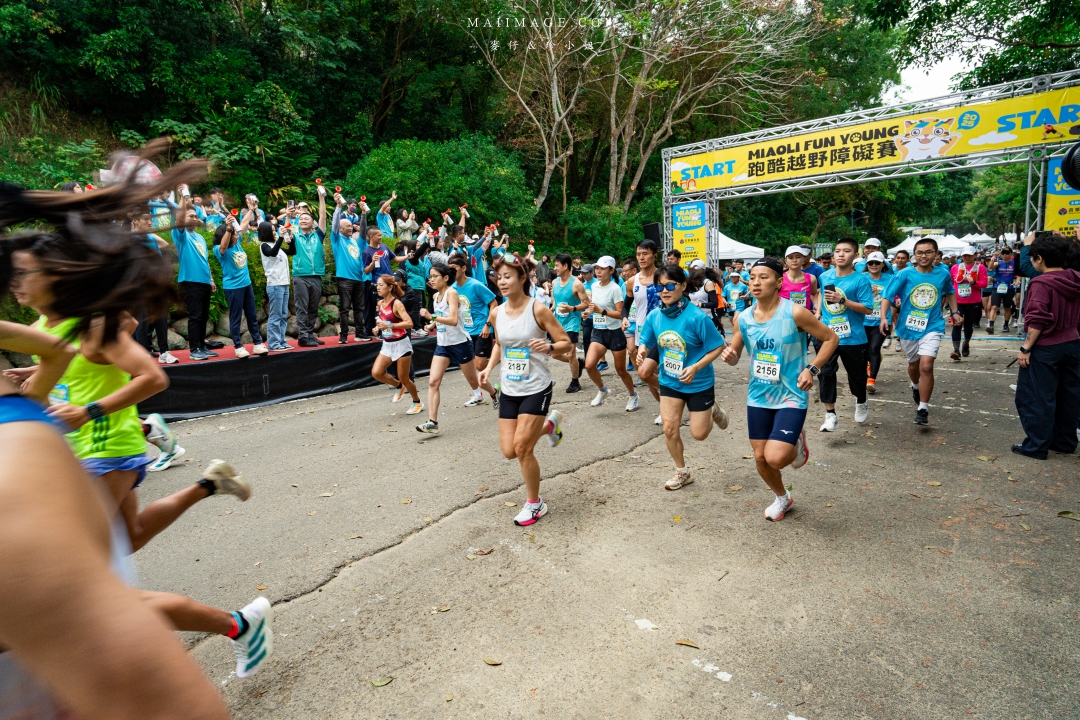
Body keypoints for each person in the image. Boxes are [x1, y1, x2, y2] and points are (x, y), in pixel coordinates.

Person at [0, 170, 273, 684]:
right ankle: (209, 485)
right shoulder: (45, 328)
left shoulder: (89, 325)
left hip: (104, 448)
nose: (16, 283)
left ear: (54, 277)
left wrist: (91, 411)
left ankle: (235, 626)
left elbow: (153, 377)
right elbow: (76, 365)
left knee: (95, 595)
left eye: (25, 272)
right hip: (88, 450)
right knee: (132, 538)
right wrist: (33, 375)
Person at [721, 258, 838, 521]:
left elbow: (831, 338)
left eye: (763, 277)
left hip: (791, 394)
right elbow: (737, 353)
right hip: (759, 395)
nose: (756, 282)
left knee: (775, 457)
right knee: (760, 457)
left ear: (778, 282)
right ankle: (782, 497)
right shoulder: (744, 318)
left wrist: (812, 369)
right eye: (752, 277)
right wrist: (730, 355)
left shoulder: (794, 312)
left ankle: (796, 441)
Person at [478, 254, 572, 526]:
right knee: (509, 450)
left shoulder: (538, 309)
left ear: (522, 278)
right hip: (509, 387)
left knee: (522, 448)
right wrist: (488, 369)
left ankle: (535, 503)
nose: (502, 282)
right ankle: (550, 426)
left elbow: (565, 341)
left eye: (508, 276)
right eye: (499, 277)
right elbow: (499, 344)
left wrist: (551, 347)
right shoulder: (496, 312)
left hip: (536, 387)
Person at [636, 264, 729, 490]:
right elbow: (646, 341)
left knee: (699, 434)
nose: (664, 291)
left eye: (670, 285)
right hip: (670, 381)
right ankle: (682, 471)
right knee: (669, 428)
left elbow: (717, 347)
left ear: (683, 285)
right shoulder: (655, 315)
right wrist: (641, 350)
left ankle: (712, 409)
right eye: (660, 287)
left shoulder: (697, 317)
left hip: (698, 382)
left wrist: (696, 367)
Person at [1011, 233, 1080, 459]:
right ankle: (1065, 441)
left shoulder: (1041, 282)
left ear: (1039, 258)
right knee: (1068, 395)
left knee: (1035, 397)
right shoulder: (1075, 278)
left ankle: (1036, 446)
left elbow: (1038, 318)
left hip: (1046, 346)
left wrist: (1026, 348)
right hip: (1072, 342)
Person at [883, 237, 961, 425]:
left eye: (928, 252)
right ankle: (916, 386)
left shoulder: (943, 274)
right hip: (908, 328)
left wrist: (955, 311)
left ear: (935, 254)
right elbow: (887, 295)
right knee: (914, 366)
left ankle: (923, 408)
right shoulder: (904, 274)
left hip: (932, 326)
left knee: (926, 366)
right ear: (914, 255)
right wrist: (882, 319)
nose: (924, 256)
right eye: (919, 253)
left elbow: (950, 291)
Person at [415, 263, 489, 434]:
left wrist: (431, 316)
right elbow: (441, 316)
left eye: (435, 276)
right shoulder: (435, 297)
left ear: (446, 278)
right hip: (443, 344)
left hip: (459, 343)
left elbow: (454, 319)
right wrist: (431, 325)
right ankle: (433, 422)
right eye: (430, 276)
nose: (431, 280)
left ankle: (493, 393)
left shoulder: (452, 293)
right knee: (433, 381)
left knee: (474, 380)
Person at [816, 238, 874, 431]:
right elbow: (821, 298)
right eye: (838, 251)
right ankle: (830, 414)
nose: (841, 254)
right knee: (826, 373)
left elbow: (867, 309)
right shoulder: (825, 276)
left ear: (856, 255)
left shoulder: (861, 279)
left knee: (857, 377)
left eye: (846, 251)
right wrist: (818, 314)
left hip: (853, 337)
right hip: (828, 335)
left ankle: (861, 400)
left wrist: (843, 300)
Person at [584, 255, 639, 410]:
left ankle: (633, 395)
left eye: (602, 268)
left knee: (621, 370)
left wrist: (601, 311)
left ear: (611, 270)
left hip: (615, 332)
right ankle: (602, 390)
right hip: (599, 331)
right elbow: (593, 306)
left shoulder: (615, 289)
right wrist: (588, 312)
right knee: (589, 365)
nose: (598, 271)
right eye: (597, 268)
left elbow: (621, 313)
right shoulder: (594, 286)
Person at [447, 254, 501, 406]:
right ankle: (480, 394)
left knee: (479, 366)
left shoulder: (476, 285)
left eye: (454, 269)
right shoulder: (451, 289)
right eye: (449, 269)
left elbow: (494, 303)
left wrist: (488, 324)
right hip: (464, 333)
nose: (451, 272)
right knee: (469, 367)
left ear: (463, 268)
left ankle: (503, 357)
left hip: (481, 329)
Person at [213, 212, 268, 358]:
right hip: (233, 288)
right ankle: (238, 346)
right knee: (236, 317)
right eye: (235, 234)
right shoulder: (219, 249)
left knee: (252, 315)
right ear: (229, 235)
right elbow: (223, 247)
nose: (238, 235)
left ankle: (257, 344)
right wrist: (229, 228)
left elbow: (243, 224)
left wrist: (251, 209)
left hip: (246, 285)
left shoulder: (237, 244)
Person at [170, 192, 216, 360]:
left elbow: (205, 260)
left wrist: (210, 279)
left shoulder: (200, 237)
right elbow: (179, 219)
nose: (195, 218)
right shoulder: (181, 236)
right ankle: (194, 349)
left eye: (196, 215)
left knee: (203, 316)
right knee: (196, 316)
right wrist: (183, 199)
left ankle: (202, 345)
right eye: (191, 215)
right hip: (190, 281)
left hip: (204, 281)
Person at [129, 206, 177, 364]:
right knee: (142, 322)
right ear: (135, 221)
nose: (150, 223)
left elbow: (164, 244)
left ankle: (164, 352)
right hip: (141, 287)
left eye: (151, 220)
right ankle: (143, 354)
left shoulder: (150, 238)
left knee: (161, 319)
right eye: (146, 220)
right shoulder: (130, 239)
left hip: (157, 285)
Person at [371, 274, 423, 415]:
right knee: (376, 372)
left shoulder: (397, 304)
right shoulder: (380, 304)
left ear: (390, 287)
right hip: (387, 344)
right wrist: (378, 328)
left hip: (401, 344)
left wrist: (390, 325)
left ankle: (417, 402)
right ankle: (398, 386)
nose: (378, 287)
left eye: (381, 285)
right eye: (377, 284)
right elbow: (383, 322)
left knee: (404, 377)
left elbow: (409, 323)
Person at [625, 240, 664, 425]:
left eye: (645, 253)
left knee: (662, 371)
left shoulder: (663, 277)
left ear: (654, 255)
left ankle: (669, 405)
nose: (641, 257)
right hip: (643, 334)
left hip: (664, 333)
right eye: (639, 254)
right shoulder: (632, 281)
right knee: (647, 374)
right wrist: (624, 318)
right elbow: (626, 306)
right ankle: (665, 405)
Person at [331, 191, 371, 343]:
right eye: (347, 226)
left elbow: (362, 232)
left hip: (359, 278)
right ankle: (343, 336)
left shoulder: (355, 241)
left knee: (359, 308)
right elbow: (335, 224)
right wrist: (338, 207)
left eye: (351, 226)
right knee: (345, 309)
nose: (350, 228)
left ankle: (360, 333)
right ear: (340, 229)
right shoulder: (337, 240)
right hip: (345, 279)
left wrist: (363, 215)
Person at [292, 188, 328, 347]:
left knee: (313, 307)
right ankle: (303, 336)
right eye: (301, 218)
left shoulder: (318, 235)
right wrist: (289, 215)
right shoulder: (294, 236)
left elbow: (322, 216)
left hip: (316, 276)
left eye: (307, 218)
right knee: (302, 308)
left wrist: (321, 197)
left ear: (313, 223)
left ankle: (310, 334)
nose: (303, 219)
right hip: (300, 276)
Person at [551, 253, 590, 393]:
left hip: (572, 322)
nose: (554, 268)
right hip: (557, 323)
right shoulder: (555, 283)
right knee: (555, 354)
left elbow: (587, 303)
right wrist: (552, 309)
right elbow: (555, 300)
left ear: (565, 266)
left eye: (557, 265)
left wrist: (572, 308)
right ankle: (578, 364)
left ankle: (575, 382)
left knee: (571, 352)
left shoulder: (576, 284)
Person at [860, 251, 895, 394]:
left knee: (874, 348)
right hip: (862, 321)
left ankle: (871, 379)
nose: (873, 265)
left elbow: (895, 296)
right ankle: (867, 368)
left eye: (877, 263)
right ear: (867, 265)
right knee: (863, 352)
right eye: (870, 263)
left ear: (883, 264)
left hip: (880, 321)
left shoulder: (890, 278)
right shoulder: (860, 278)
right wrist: (867, 291)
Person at [259, 221, 295, 351]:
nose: (275, 232)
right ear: (266, 232)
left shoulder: (277, 246)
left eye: (275, 230)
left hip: (284, 283)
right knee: (276, 314)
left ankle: (281, 341)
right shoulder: (264, 246)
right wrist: (280, 237)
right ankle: (273, 344)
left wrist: (290, 240)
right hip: (275, 284)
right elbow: (272, 253)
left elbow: (292, 251)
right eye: (273, 230)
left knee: (283, 314)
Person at [948, 246, 987, 360]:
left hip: (973, 301)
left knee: (968, 324)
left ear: (975, 255)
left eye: (969, 255)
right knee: (956, 324)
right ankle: (956, 350)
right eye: (965, 255)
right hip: (957, 301)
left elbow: (984, 284)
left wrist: (974, 282)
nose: (967, 258)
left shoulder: (980, 268)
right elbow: (950, 282)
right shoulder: (955, 267)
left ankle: (966, 343)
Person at [779, 245, 819, 313]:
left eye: (798, 257)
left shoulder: (811, 278)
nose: (794, 260)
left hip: (804, 319)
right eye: (791, 258)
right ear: (786, 261)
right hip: (784, 319)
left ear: (803, 259)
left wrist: (816, 305)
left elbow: (814, 294)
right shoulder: (779, 279)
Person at [987, 246, 1018, 334]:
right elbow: (990, 267)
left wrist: (1017, 281)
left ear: (1011, 254)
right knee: (994, 306)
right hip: (997, 287)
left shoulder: (1014, 263)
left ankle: (1006, 325)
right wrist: (993, 257)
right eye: (1003, 253)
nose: (1005, 255)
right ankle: (991, 325)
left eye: (1007, 253)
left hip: (1009, 287)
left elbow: (1019, 273)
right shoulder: (998, 263)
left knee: (1007, 307)